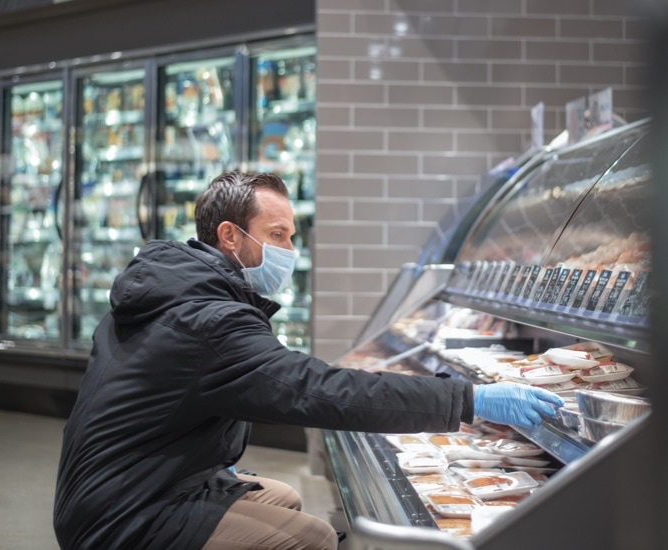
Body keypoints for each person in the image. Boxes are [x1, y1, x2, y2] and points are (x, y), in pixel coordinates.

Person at [53, 171, 564, 550]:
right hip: (123, 515)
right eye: (277, 236)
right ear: (230, 236)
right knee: (314, 539)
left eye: (292, 235)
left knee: (283, 498)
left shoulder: (171, 289)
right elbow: (316, 390)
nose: (291, 250)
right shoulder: (208, 319)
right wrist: (468, 399)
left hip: (121, 487)